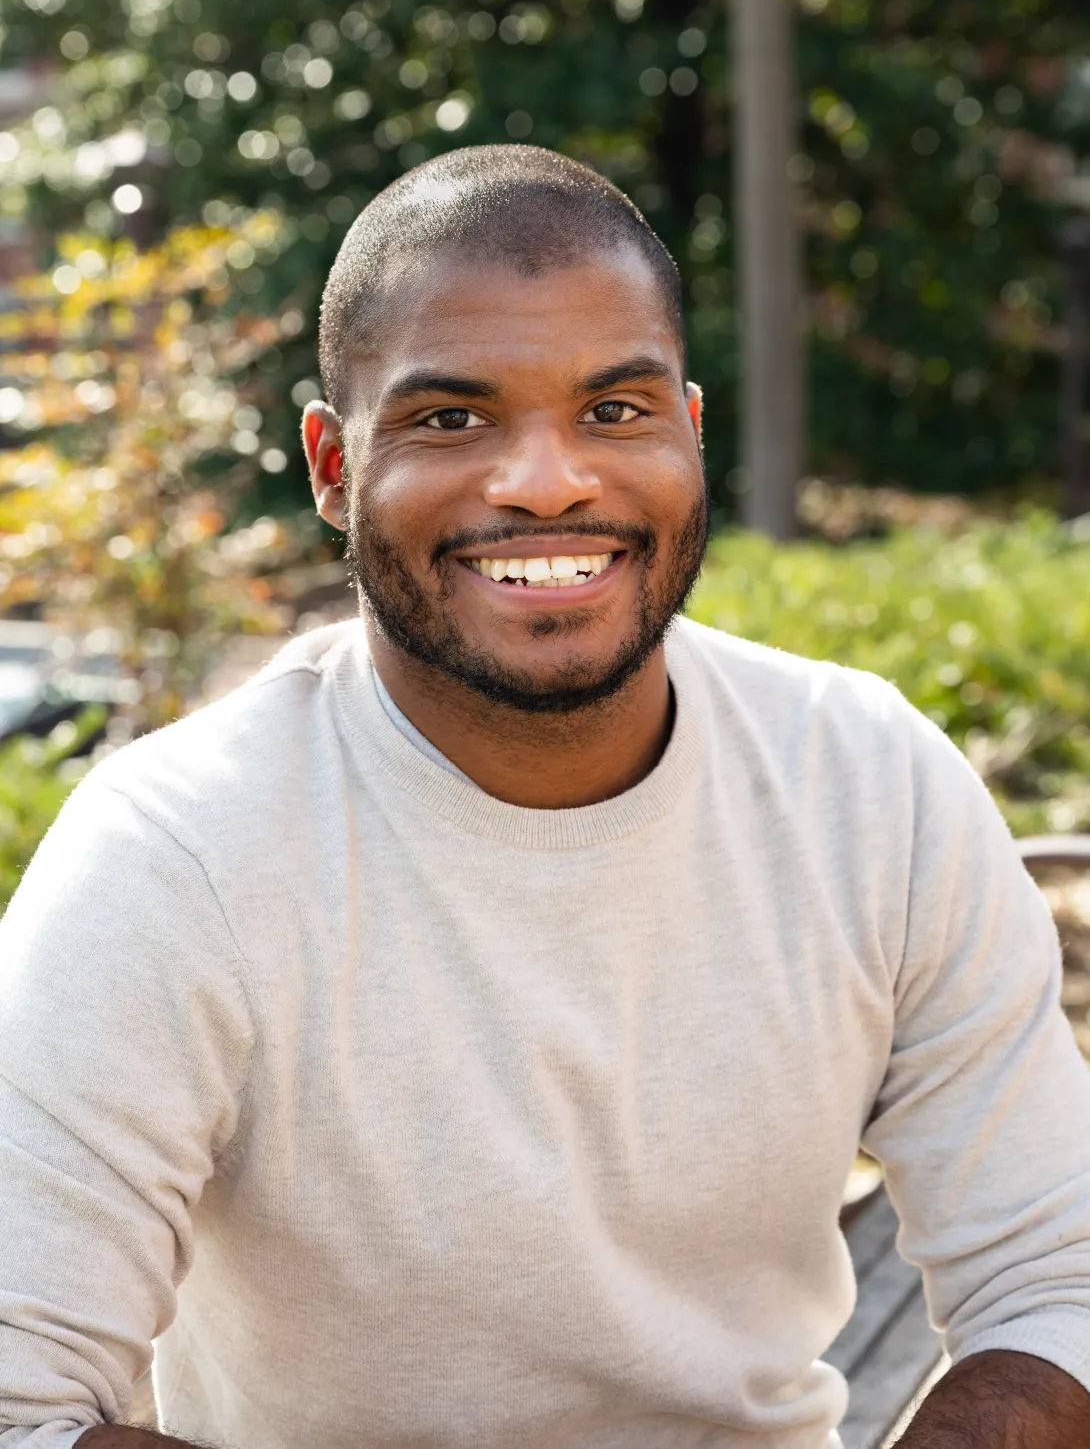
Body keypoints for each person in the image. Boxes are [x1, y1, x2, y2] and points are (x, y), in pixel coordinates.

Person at [1, 146, 1089, 1449]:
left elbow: (1054, 1278)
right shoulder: (174, 851)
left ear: (689, 429)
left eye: (613, 410)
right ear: (332, 466)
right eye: (449, 419)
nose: (545, 478)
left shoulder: (867, 781)